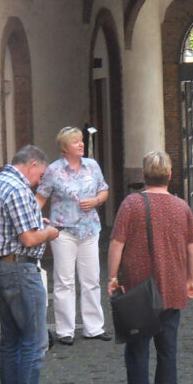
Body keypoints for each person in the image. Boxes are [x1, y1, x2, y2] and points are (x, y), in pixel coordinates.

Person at [105, 151, 193, 384]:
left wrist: (112, 276)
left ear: (143, 176)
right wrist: (191, 279)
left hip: (138, 287)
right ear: (170, 176)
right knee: (168, 344)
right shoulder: (182, 207)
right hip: (172, 286)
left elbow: (116, 243)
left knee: (137, 344)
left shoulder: (132, 204)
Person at [0, 144, 64, 384]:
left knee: (12, 340)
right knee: (34, 340)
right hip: (19, 269)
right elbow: (28, 239)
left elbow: (5, 225)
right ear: (31, 166)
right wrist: (49, 232)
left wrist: (35, 222)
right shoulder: (18, 190)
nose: (39, 181)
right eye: (39, 174)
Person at [36, 126, 111, 344]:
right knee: (64, 280)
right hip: (63, 231)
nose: (81, 144)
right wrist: (33, 219)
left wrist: (96, 201)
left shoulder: (92, 166)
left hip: (89, 229)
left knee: (91, 279)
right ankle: (65, 330)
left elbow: (103, 190)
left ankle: (94, 327)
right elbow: (41, 197)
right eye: (76, 141)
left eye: (81, 141)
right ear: (64, 148)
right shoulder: (53, 170)